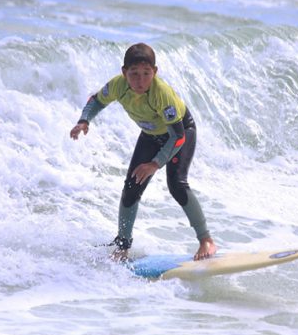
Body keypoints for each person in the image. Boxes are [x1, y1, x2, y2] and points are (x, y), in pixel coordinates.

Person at [70, 43, 217, 261]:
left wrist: (154, 164)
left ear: (154, 72)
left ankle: (206, 240)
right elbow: (97, 100)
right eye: (134, 74)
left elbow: (178, 137)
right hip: (151, 135)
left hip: (180, 133)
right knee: (131, 186)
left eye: (146, 74)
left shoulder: (161, 94)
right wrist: (84, 120)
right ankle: (122, 245)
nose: (140, 81)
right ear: (124, 72)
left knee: (176, 184)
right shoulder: (118, 85)